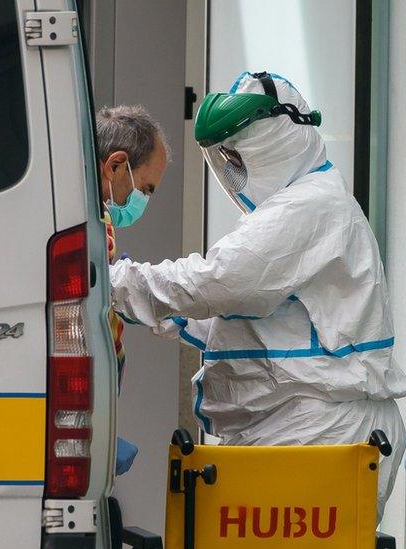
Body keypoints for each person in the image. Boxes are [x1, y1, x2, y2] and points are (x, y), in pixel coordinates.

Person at [109, 71, 406, 513]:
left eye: (237, 152)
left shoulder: (310, 206)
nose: (233, 166)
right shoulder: (295, 207)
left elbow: (219, 282)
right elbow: (243, 313)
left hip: (317, 431)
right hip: (298, 429)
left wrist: (115, 281)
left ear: (273, 142)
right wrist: (147, 303)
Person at [95, 105, 170, 475]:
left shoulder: (94, 217)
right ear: (116, 166)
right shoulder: (88, 222)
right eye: (146, 188)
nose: (144, 200)